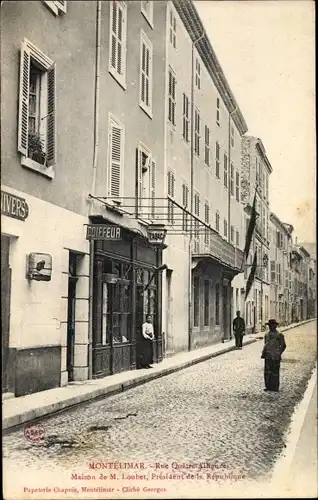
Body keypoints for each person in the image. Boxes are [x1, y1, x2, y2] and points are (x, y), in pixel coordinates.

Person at [262, 319, 286, 392]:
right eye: (270, 325)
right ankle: (268, 386)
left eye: (272, 325)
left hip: (276, 357)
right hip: (268, 356)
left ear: (275, 326)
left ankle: (275, 387)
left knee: (275, 372)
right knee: (267, 372)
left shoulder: (280, 335)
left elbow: (283, 345)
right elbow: (266, 344)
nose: (271, 327)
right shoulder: (266, 335)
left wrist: (279, 352)